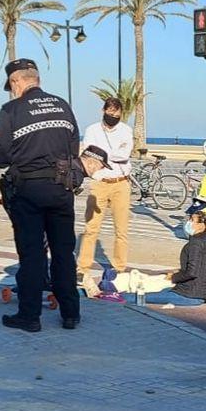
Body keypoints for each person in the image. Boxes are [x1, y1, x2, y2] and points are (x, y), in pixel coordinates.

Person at [0, 59, 81, 332]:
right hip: (62, 189)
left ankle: (29, 316)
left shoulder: (11, 110)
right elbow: (74, 148)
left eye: (12, 86)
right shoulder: (62, 105)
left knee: (31, 254)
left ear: (17, 81)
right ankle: (71, 314)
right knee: (64, 253)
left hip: (28, 191)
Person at [76, 96, 133, 284]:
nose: (113, 116)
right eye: (110, 112)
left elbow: (125, 154)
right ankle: (82, 267)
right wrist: (103, 161)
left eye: (116, 113)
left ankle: (119, 267)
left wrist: (103, 154)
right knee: (91, 228)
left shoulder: (126, 130)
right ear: (103, 111)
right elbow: (89, 153)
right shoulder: (92, 130)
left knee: (121, 229)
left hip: (121, 182)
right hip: (99, 183)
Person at [144, 211, 206, 308]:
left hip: (190, 294)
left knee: (137, 296)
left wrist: (174, 277)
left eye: (192, 220)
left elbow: (192, 272)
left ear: (201, 226)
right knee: (162, 292)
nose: (188, 222)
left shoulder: (195, 244)